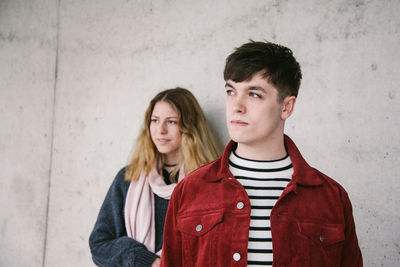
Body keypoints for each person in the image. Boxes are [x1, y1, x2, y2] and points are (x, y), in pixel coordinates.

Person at [160, 41, 363, 267]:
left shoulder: (331, 198)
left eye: (254, 94)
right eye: (230, 91)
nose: (236, 105)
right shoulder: (189, 191)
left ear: (286, 107)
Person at [89, 87, 221, 267]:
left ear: (190, 127)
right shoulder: (129, 178)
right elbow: (99, 244)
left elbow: (221, 247)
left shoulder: (211, 183)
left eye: (172, 122)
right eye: (155, 120)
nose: (161, 130)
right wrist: (147, 261)